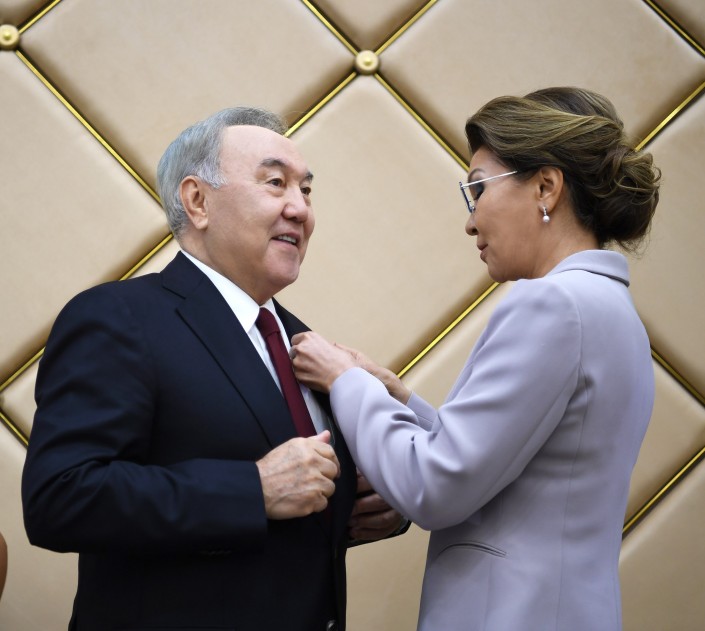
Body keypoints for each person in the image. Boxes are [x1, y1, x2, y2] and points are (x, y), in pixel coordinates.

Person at [290, 87, 660, 630]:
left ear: (546, 187)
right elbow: (516, 463)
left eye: (478, 189)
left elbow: (436, 487)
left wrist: (347, 381)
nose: (470, 221)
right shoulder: (613, 311)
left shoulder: (552, 305)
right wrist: (402, 400)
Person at [21, 106, 403, 631]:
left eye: (307, 190)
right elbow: (60, 498)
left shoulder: (304, 344)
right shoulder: (119, 317)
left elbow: (302, 504)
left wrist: (382, 504)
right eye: (275, 183)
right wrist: (252, 489)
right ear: (198, 201)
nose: (299, 209)